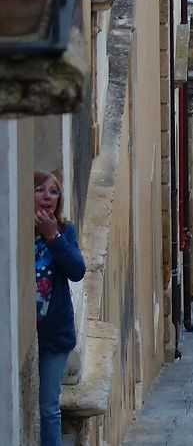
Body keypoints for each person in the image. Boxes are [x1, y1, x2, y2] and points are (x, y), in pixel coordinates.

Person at [34, 171, 86, 446]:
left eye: (53, 191)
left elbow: (77, 270)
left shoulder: (65, 230)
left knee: (49, 407)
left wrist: (52, 236)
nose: (47, 196)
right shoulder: (17, 228)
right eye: (40, 189)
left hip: (55, 334)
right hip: (25, 333)